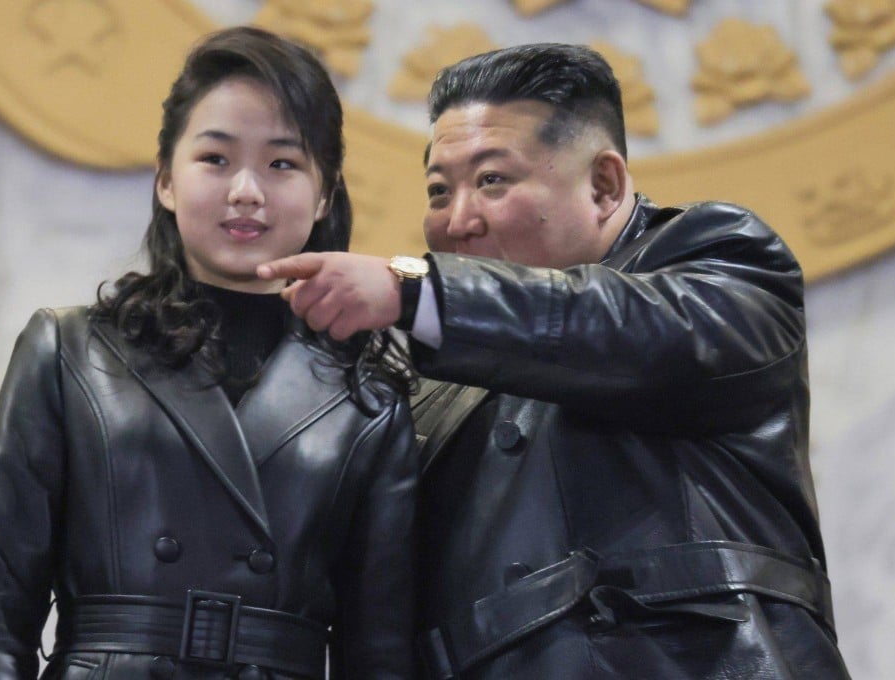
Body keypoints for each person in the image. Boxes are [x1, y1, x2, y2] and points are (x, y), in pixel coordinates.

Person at [257, 43, 851, 678]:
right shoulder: (429, 383)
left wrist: (414, 290)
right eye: (438, 190)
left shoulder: (719, 260)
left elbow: (631, 331)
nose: (458, 220)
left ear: (604, 185)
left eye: (492, 180)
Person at [0, 26, 418, 680]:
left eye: (282, 163)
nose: (246, 190)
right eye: (216, 158)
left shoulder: (369, 397)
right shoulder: (70, 350)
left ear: (323, 194)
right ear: (167, 180)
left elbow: (381, 654)